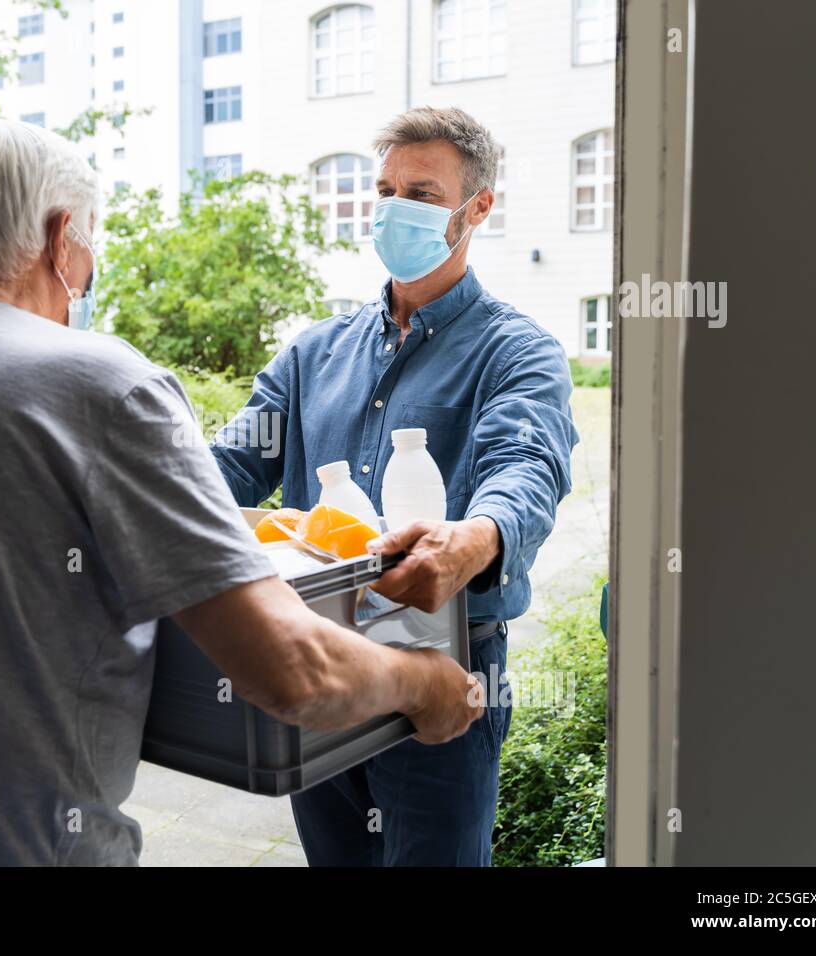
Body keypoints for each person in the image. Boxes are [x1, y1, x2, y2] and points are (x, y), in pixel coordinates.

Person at [0, 115, 483, 866]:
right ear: (59, 237)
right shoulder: (101, 383)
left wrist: (217, 519)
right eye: (92, 238)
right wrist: (423, 681)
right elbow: (293, 670)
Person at [211, 106, 579, 866]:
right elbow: (228, 465)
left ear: (478, 207)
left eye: (420, 191)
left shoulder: (517, 354)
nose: (392, 209)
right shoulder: (315, 353)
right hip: (323, 657)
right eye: (384, 190)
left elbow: (526, 466)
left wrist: (470, 540)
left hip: (447, 669)